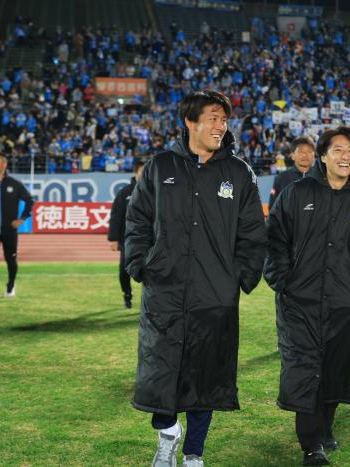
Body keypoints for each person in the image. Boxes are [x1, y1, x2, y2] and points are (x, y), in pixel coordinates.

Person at [124, 90, 267, 467]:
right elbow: (137, 219)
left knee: (206, 376)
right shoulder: (160, 166)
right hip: (165, 290)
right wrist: (140, 263)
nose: (221, 126)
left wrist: (238, 277)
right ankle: (167, 433)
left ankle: (194, 454)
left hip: (215, 294)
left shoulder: (238, 173)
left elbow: (254, 232)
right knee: (161, 368)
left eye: (224, 119)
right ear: (190, 121)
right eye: (213, 118)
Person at [264, 126, 350, 466]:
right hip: (299, 303)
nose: (345, 157)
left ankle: (325, 427)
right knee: (305, 368)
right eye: (338, 150)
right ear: (323, 155)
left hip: (345, 304)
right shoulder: (295, 193)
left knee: (336, 368)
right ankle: (311, 445)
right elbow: (274, 240)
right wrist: (282, 280)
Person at [0, 152, 34, 302]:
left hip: (9, 231)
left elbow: (30, 200)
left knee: (11, 260)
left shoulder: (14, 183)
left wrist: (22, 218)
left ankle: (10, 285)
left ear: (4, 165)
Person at [107, 159, 145, 309]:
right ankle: (127, 295)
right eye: (143, 172)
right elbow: (116, 215)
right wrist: (113, 238)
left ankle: (150, 299)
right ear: (135, 173)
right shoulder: (125, 193)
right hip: (128, 240)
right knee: (124, 271)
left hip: (150, 240)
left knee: (151, 272)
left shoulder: (156, 191)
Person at [268, 136, 316, 209]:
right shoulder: (281, 178)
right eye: (301, 152)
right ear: (292, 156)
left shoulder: (322, 179)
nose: (305, 155)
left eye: (309, 151)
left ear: (313, 155)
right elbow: (273, 208)